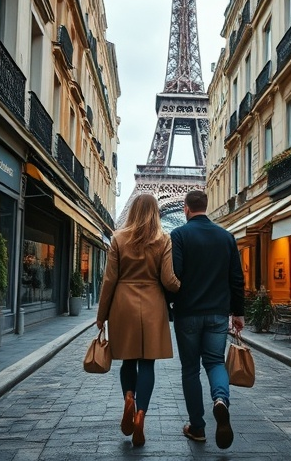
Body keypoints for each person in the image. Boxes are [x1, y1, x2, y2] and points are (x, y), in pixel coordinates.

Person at [96, 193, 180, 447]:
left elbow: (109, 280)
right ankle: (141, 413)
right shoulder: (163, 239)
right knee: (147, 364)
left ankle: (129, 398)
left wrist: (101, 316)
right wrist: (183, 287)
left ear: (132, 210)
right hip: (153, 305)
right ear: (156, 212)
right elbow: (168, 280)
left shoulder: (119, 238)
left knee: (127, 362)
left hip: (123, 305)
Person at [170, 190, 244, 449]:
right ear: (206, 206)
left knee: (190, 370)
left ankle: (198, 428)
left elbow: (174, 275)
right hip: (217, 314)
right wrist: (239, 313)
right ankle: (221, 400)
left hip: (188, 313)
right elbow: (236, 278)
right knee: (215, 363)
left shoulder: (178, 235)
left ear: (186, 208)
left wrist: (172, 303)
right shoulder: (227, 237)